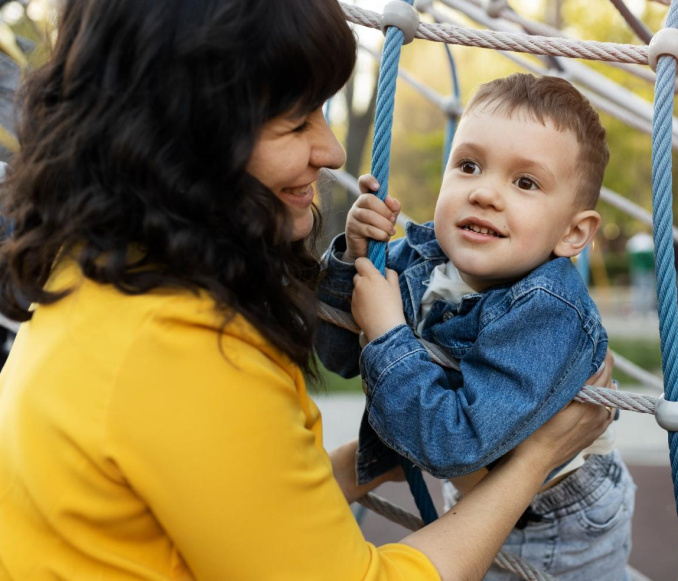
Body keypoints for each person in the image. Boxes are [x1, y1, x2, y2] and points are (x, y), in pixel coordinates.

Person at [0, 2, 617, 580]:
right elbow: (345, 356)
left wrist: (369, 459)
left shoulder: (99, 272)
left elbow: (243, 500)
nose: (332, 150)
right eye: (297, 122)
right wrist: (538, 454)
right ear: (189, 141)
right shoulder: (180, 347)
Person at [316, 74, 634, 580]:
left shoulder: (548, 310)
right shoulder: (423, 257)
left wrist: (387, 332)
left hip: (556, 517)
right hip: (480, 486)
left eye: (525, 182)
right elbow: (336, 358)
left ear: (574, 233)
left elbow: (453, 443)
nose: (485, 192)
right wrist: (352, 260)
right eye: (468, 166)